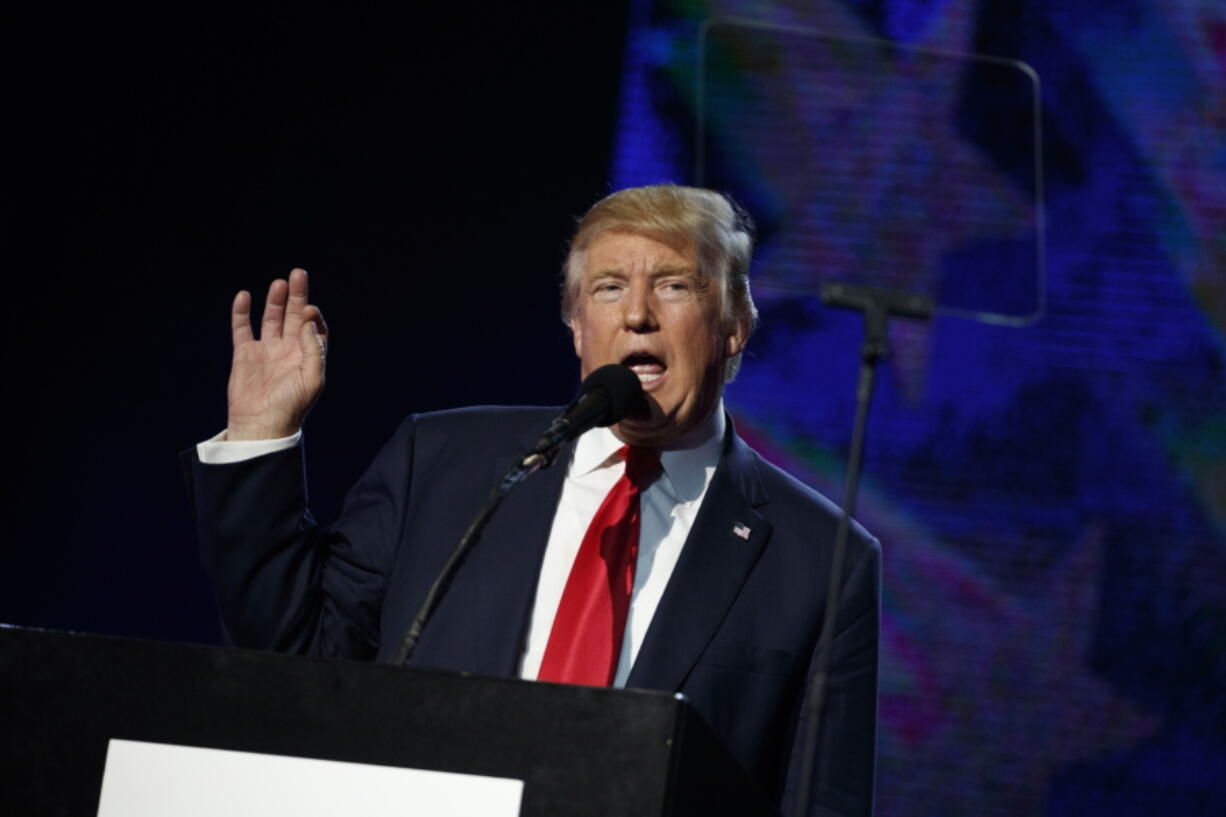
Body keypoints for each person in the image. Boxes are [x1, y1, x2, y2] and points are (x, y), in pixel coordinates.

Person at [184, 184, 880, 816]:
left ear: (734, 324)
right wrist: (258, 437)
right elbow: (297, 656)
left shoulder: (821, 559)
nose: (637, 313)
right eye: (609, 288)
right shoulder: (444, 462)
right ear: (577, 327)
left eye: (674, 285)